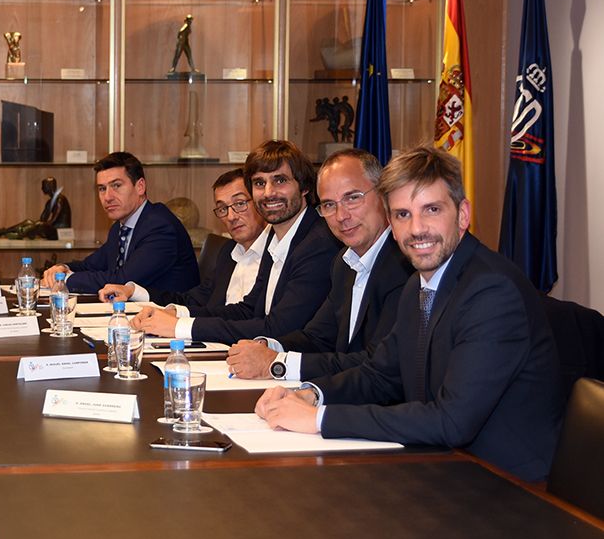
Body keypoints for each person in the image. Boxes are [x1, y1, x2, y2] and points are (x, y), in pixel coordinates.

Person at [254, 146, 563, 482]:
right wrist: (311, 394)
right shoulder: (420, 283)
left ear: (462, 215)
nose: (417, 229)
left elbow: (451, 422)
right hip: (440, 468)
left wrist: (318, 419)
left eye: (431, 210)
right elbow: (380, 375)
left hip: (503, 485)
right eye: (402, 214)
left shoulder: (491, 292)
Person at [225, 149, 413, 381]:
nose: (341, 216)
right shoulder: (344, 263)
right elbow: (317, 338)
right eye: (329, 205)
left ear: (384, 196)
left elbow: (378, 364)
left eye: (352, 198)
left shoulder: (404, 265)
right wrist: (266, 346)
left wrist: (276, 363)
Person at [132, 140, 339, 344]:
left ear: (304, 186)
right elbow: (247, 310)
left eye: (280, 180)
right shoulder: (275, 238)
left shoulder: (319, 244)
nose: (268, 193)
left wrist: (181, 327)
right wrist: (175, 316)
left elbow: (279, 329)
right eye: (259, 183)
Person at [99, 168, 266, 308]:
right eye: (222, 209)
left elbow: (241, 320)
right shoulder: (228, 252)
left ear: (260, 201)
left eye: (240, 204)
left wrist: (180, 324)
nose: (231, 216)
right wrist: (132, 291)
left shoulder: (275, 257)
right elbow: (192, 301)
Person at [42, 152, 198, 294]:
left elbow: (122, 280)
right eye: (102, 189)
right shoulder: (120, 226)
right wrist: (62, 268)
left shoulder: (160, 226)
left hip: (166, 312)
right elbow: (89, 265)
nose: (107, 197)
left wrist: (65, 279)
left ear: (140, 187)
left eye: (116, 186)